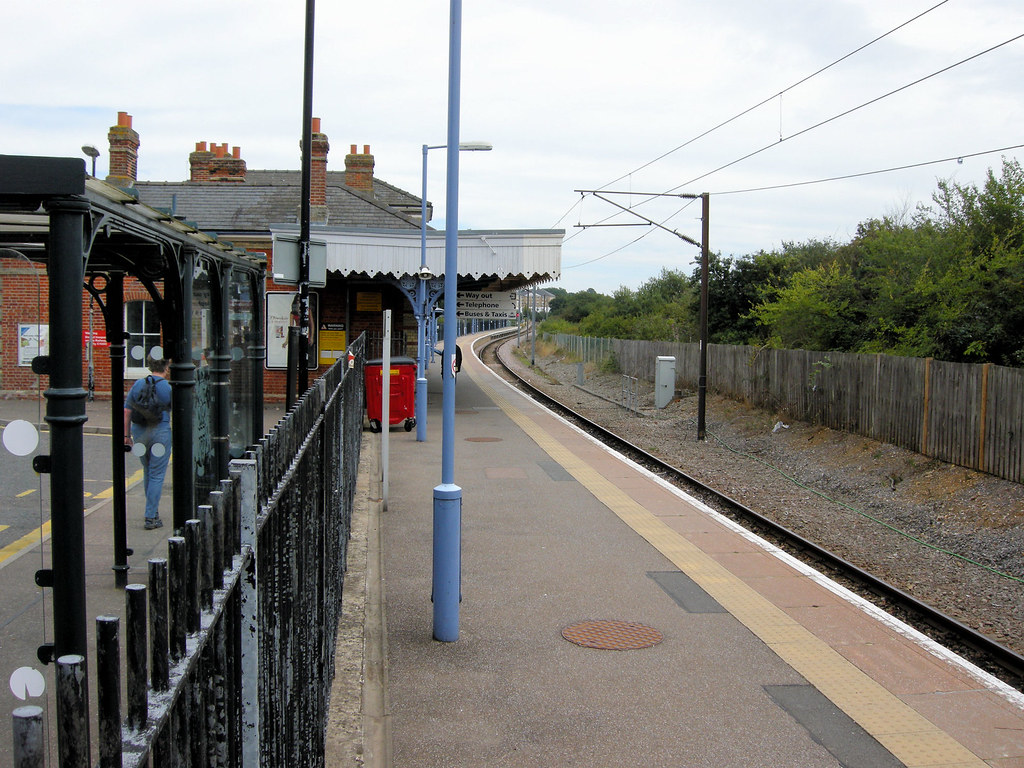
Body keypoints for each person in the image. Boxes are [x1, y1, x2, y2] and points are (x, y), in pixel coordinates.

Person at [124, 357, 173, 530]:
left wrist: (126, 435)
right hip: (160, 431)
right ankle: (151, 516)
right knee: (157, 474)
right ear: (166, 367)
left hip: (139, 432)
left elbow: (127, 410)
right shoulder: (167, 387)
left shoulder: (138, 385)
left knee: (147, 470)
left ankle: (152, 511)